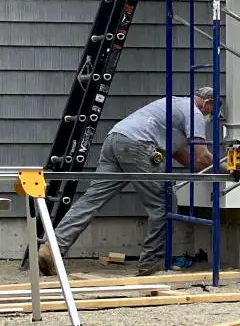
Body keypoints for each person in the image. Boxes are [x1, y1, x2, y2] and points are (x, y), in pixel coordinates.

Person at [37, 87, 221, 277]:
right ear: (207, 104)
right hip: (138, 145)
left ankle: (52, 248)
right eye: (212, 111)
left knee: (91, 200)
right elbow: (202, 156)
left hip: (116, 139)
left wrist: (207, 167)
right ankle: (150, 264)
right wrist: (226, 168)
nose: (210, 116)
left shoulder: (174, 105)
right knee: (164, 204)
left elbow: (187, 158)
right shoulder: (194, 112)